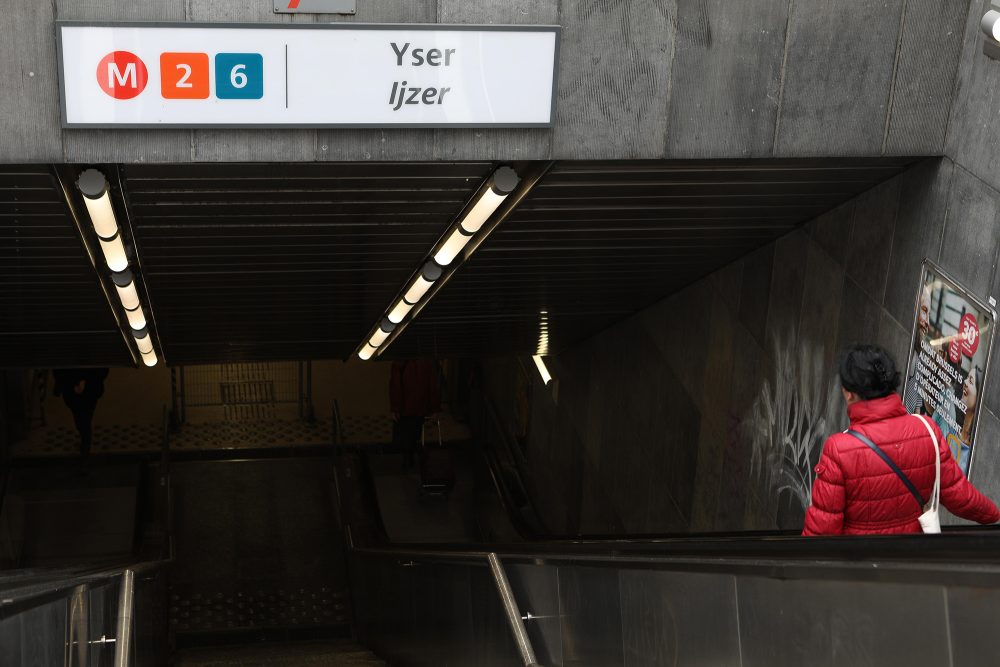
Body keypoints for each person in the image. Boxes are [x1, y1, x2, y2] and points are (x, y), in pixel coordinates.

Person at [803, 345, 999, 535]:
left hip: (857, 563)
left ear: (848, 393)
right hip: (908, 558)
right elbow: (961, 496)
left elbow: (822, 530)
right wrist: (994, 514)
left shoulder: (838, 449)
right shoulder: (927, 430)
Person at [389, 359, 441, 469]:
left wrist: (395, 408)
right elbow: (433, 385)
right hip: (421, 406)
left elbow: (396, 386)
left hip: (405, 407)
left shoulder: (400, 362)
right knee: (415, 432)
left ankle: (408, 459)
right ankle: (415, 457)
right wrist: (434, 408)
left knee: (405, 434)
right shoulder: (428, 361)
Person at [52, 368, 109, 461]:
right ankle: (85, 444)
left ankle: (85, 447)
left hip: (79, 389)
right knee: (84, 419)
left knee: (82, 420)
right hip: (87, 388)